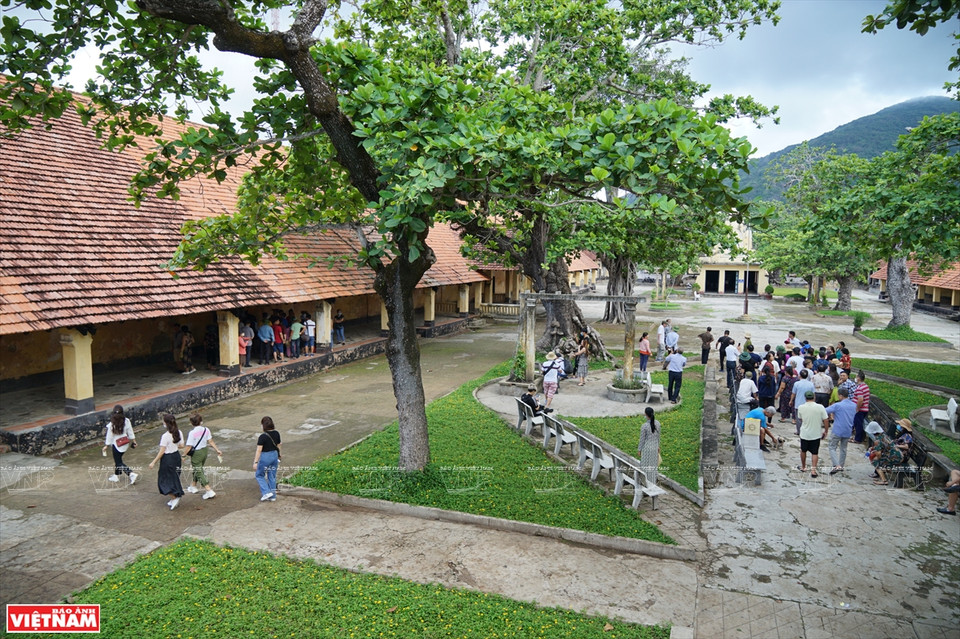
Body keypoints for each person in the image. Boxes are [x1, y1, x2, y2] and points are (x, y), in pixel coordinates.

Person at [148, 413, 185, 510]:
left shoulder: (165, 436)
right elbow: (181, 445)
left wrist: (153, 462)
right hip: (176, 456)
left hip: (167, 459)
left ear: (166, 423)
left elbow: (162, 451)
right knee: (174, 477)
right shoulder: (179, 432)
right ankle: (175, 497)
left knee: (164, 480)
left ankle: (174, 497)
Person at [182, 413, 223, 500]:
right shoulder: (206, 430)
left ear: (191, 423)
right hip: (204, 451)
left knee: (198, 470)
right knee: (198, 468)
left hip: (196, 453)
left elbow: (189, 446)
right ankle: (193, 486)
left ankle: (209, 490)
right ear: (201, 421)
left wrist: (183, 455)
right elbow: (210, 441)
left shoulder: (192, 433)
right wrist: (217, 450)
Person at [102, 405, 138, 486]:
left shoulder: (112, 424)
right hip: (125, 443)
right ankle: (116, 476)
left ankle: (131, 473)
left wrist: (106, 445)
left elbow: (109, 436)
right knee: (118, 460)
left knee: (118, 462)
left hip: (116, 445)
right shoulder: (127, 421)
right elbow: (130, 432)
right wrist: (134, 441)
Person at [869, 419, 913, 486]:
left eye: (900, 425)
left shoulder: (907, 436)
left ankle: (884, 480)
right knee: (879, 458)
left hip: (901, 455)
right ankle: (881, 474)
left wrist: (896, 446)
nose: (899, 426)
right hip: (896, 453)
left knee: (876, 460)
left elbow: (907, 446)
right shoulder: (901, 434)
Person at [825, 386, 856, 475]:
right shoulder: (853, 405)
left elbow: (825, 411)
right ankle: (841, 465)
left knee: (832, 447)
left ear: (841, 396)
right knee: (843, 448)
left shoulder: (838, 405)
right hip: (848, 430)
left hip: (838, 429)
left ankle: (836, 465)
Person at [796, 391, 828, 478]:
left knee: (803, 450)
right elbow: (825, 420)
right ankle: (813, 470)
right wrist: (826, 430)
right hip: (816, 433)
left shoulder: (801, 407)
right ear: (814, 397)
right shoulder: (820, 407)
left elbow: (800, 419)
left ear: (805, 398)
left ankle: (803, 467)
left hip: (805, 433)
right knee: (815, 452)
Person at [254, 416, 282, 501]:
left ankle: (266, 492)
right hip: (274, 455)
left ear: (263, 425)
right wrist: (279, 455)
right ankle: (273, 497)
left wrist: (255, 462)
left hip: (266, 457)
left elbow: (259, 450)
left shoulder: (262, 436)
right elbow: (279, 445)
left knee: (259, 475)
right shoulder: (277, 433)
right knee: (272, 476)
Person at [637, 407, 661, 487]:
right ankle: (652, 482)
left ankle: (644, 482)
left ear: (646, 415)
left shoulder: (644, 426)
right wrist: (658, 446)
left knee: (645, 466)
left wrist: (639, 450)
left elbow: (642, 440)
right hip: (654, 447)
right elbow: (658, 437)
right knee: (653, 465)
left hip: (647, 448)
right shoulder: (658, 423)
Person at [852, 370, 870, 443]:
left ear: (858, 378)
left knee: (858, 424)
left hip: (861, 409)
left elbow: (860, 399)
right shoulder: (865, 386)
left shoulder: (860, 388)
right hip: (864, 408)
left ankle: (858, 439)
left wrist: (857, 408)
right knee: (859, 423)